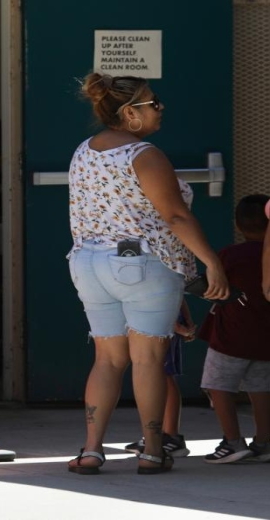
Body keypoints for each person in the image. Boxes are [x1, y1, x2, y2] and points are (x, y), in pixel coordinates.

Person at [65, 72, 229, 475]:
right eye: (153, 103)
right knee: (148, 360)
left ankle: (90, 450)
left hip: (88, 262)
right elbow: (174, 216)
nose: (161, 107)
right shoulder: (145, 154)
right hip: (139, 263)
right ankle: (153, 449)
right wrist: (211, 262)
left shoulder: (84, 150)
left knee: (106, 360)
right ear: (130, 113)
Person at [197, 194, 270, 463]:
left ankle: (232, 441)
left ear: (238, 225)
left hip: (230, 338)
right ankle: (264, 441)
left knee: (218, 386)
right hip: (265, 339)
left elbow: (212, 286)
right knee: (262, 389)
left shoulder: (230, 255)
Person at [124, 300, 196, 458]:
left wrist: (178, 324)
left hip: (162, 321)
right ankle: (161, 435)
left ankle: (171, 436)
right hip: (155, 318)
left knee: (163, 375)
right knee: (160, 374)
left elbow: (175, 290)